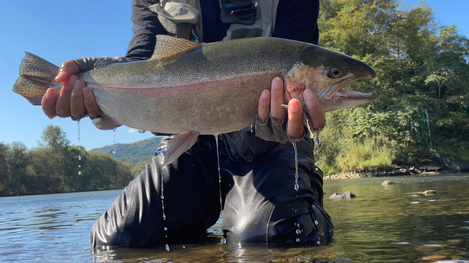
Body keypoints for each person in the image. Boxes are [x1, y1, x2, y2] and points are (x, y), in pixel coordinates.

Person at [41, 0, 334, 248]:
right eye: (334, 73)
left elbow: (298, 51)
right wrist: (102, 79)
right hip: (191, 140)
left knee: (264, 239)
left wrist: (288, 118)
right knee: (116, 241)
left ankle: (305, 193)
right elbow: (144, 62)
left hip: (272, 141)